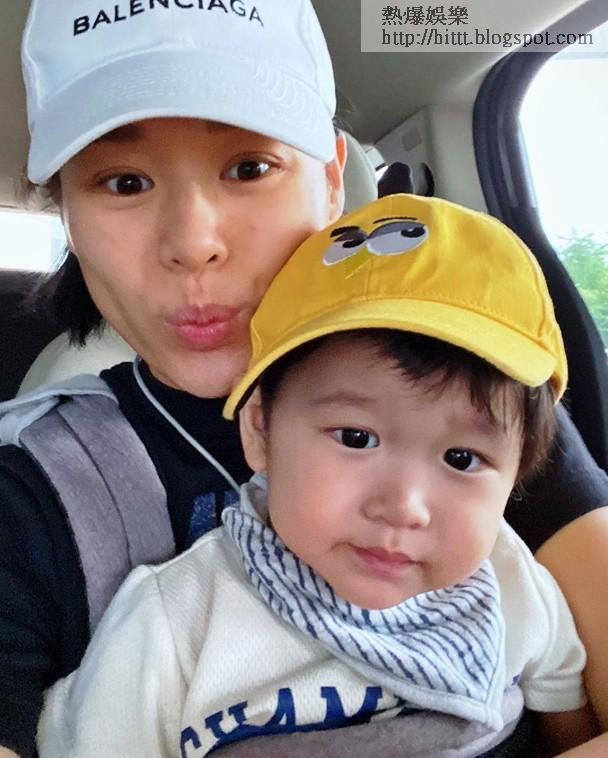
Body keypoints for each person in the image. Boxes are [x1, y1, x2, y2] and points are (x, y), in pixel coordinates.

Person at [0, 1, 607, 756]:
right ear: (66, 214)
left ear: (329, 181)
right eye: (123, 182)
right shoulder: (33, 496)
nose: (193, 243)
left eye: (249, 168)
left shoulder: (477, 395)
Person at [37, 195, 600, 757]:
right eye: (356, 438)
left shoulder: (511, 582)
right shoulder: (173, 624)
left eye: (461, 459)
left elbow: (567, 726)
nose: (404, 506)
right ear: (260, 430)